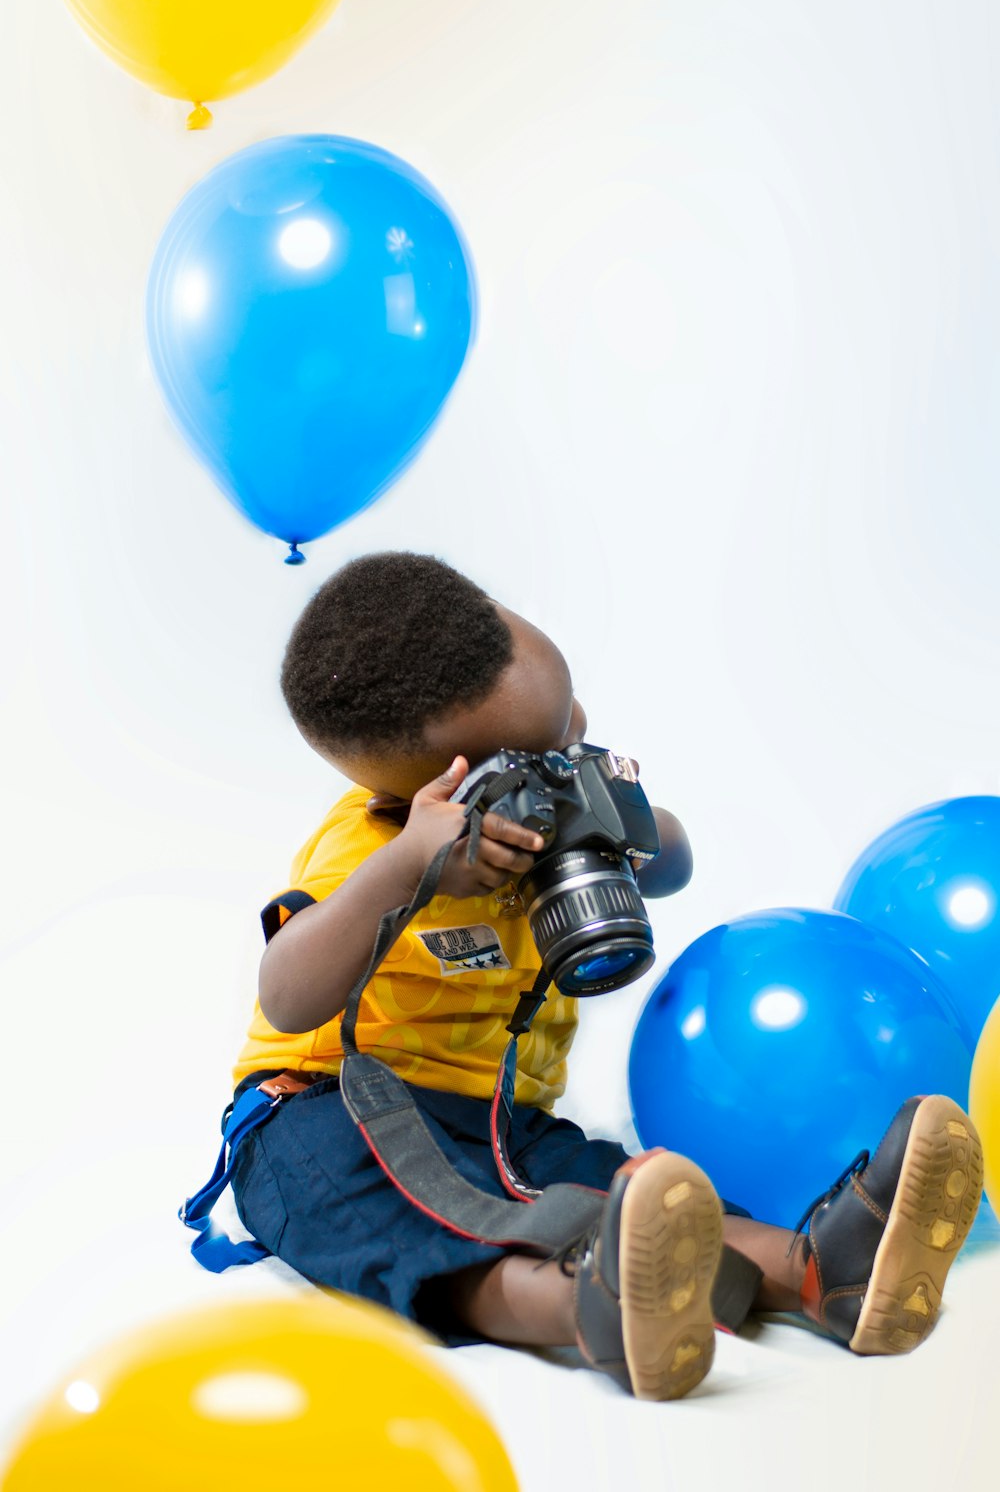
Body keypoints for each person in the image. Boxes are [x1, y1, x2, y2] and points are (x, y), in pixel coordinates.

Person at [229, 551, 983, 1402]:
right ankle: (583, 1309)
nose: (563, 756)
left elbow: (677, 860)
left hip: (503, 1118)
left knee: (627, 1195)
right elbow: (285, 995)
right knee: (409, 1224)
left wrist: (617, 821)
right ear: (426, 794)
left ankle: (822, 1268)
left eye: (569, 730)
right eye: (528, 763)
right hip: (323, 1111)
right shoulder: (374, 846)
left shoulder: (562, 788)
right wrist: (406, 868)